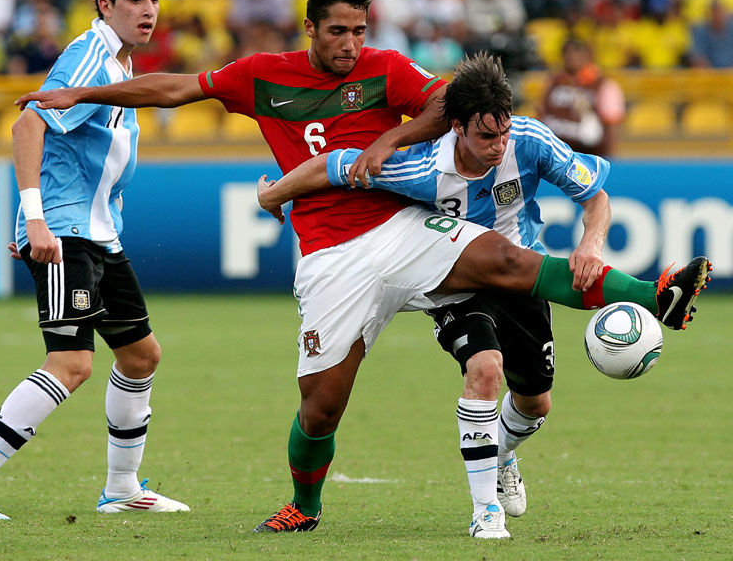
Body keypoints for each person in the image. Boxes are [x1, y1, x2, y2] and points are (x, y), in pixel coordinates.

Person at [13, 0, 709, 535]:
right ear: (309, 28)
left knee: (505, 260)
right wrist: (82, 92)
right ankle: (304, 506)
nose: (351, 44)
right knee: (321, 406)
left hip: (402, 227)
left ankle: (658, 295)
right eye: (338, 31)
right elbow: (176, 89)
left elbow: (448, 103)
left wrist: (386, 141)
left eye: (360, 31)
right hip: (329, 256)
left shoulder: (385, 69)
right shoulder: (262, 75)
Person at [255, 52, 711, 538]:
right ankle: (486, 512)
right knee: (485, 369)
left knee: (535, 404)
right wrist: (273, 194)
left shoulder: (531, 140)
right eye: (486, 136)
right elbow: (332, 165)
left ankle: (502, 453)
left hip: (522, 274)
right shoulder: (421, 167)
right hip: (457, 283)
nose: (499, 145)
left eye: (504, 132)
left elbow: (595, 197)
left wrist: (591, 245)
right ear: (457, 127)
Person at [0, 0, 189, 520]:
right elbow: (28, 124)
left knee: (140, 355)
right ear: (105, 6)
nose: (148, 10)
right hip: (66, 230)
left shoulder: (120, 65)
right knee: (71, 363)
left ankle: (121, 488)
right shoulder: (90, 54)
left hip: (97, 234)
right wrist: (35, 220)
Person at [537, 38, 625, 158]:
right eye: (567, 52)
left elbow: (611, 124)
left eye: (577, 52)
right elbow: (542, 113)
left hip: (589, 155)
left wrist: (609, 159)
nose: (571, 56)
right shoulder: (553, 82)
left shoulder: (604, 85)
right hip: (556, 155)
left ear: (588, 55)